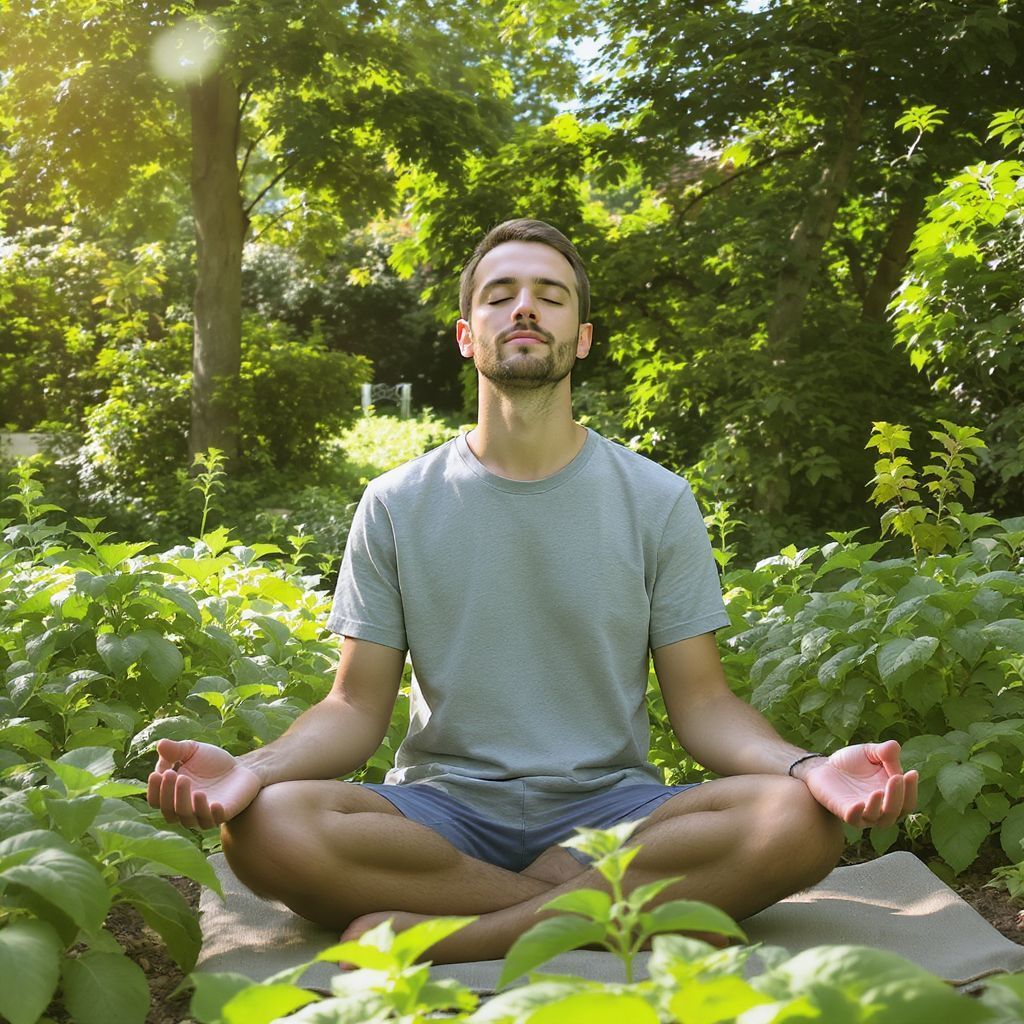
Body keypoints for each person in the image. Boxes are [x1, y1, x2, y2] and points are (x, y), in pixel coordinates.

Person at [149, 218, 918, 964]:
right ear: (465, 334)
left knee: (798, 821)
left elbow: (706, 706)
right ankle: (620, 916)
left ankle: (464, 934)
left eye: (550, 296)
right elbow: (353, 709)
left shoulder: (657, 499)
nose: (524, 307)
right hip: (441, 812)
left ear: (580, 339)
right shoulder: (395, 501)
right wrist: (257, 769)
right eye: (500, 293)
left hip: (613, 815)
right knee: (269, 825)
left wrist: (804, 767)